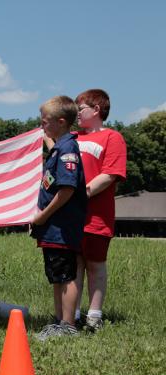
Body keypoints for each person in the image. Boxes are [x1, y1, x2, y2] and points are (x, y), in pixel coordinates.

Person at [31, 96, 87, 341]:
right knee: (57, 275)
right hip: (52, 228)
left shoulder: (67, 151)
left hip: (61, 226)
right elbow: (51, 143)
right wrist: (42, 137)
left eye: (45, 123)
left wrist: (42, 216)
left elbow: (66, 189)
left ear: (61, 122)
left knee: (66, 275)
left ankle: (68, 325)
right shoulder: (59, 147)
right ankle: (59, 321)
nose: (42, 126)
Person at [74, 89, 127, 331]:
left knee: (95, 265)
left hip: (97, 216)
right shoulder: (71, 138)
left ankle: (94, 316)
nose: (76, 113)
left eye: (80, 108)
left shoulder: (112, 137)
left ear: (96, 110)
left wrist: (80, 193)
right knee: (74, 265)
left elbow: (110, 174)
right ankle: (71, 314)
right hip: (71, 216)